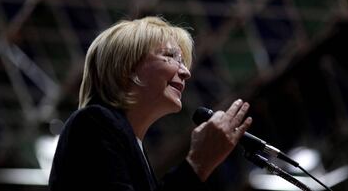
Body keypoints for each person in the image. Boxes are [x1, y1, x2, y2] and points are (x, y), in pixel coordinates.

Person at [49, 16, 252, 191]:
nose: (186, 72)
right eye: (171, 56)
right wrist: (198, 162)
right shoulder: (93, 123)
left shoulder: (127, 140)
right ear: (127, 66)